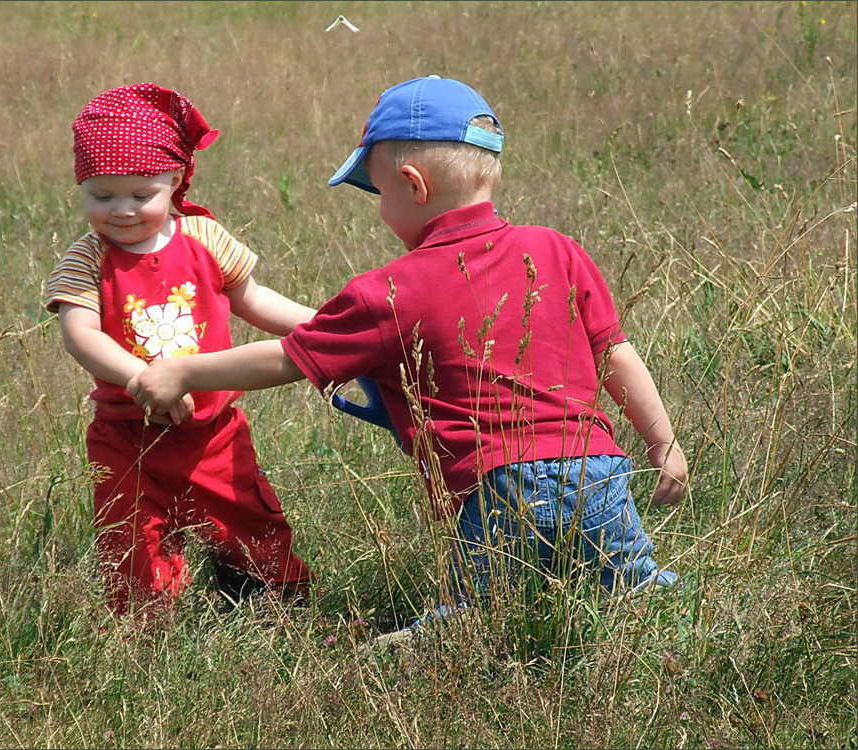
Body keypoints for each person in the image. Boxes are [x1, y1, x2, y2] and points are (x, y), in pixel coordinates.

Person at [125, 76, 688, 619]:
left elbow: (286, 357)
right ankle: (676, 620)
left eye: (379, 192)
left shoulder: (389, 290)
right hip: (599, 470)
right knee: (636, 591)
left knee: (470, 622)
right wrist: (661, 443)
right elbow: (615, 353)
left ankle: (384, 657)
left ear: (415, 185)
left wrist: (185, 373)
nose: (379, 210)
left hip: (500, 486)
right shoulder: (558, 249)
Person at [44, 82, 313, 617]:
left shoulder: (203, 237)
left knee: (253, 529)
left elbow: (253, 299)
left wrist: (324, 325)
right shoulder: (87, 258)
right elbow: (81, 333)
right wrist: (143, 379)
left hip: (214, 435)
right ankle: (149, 633)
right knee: (131, 550)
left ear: (173, 179)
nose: (121, 210)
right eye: (101, 195)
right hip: (127, 439)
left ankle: (275, 606)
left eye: (141, 194)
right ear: (81, 188)